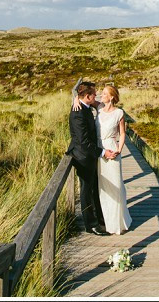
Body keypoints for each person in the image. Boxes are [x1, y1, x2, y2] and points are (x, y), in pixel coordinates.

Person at [67, 79, 116, 236]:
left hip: (89, 155)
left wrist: (76, 97)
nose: (97, 96)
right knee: (86, 190)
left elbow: (83, 95)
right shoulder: (78, 113)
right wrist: (103, 152)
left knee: (94, 188)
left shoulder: (85, 106)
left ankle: (100, 218)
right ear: (87, 96)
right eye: (95, 94)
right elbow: (83, 142)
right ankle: (91, 224)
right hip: (83, 156)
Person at [96, 83, 132, 235]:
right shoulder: (98, 109)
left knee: (116, 185)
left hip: (112, 148)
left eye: (104, 94)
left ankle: (118, 222)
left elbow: (122, 133)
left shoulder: (119, 113)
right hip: (100, 150)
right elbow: (86, 99)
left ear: (111, 97)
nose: (101, 95)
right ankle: (107, 220)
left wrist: (119, 149)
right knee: (103, 187)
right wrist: (77, 100)